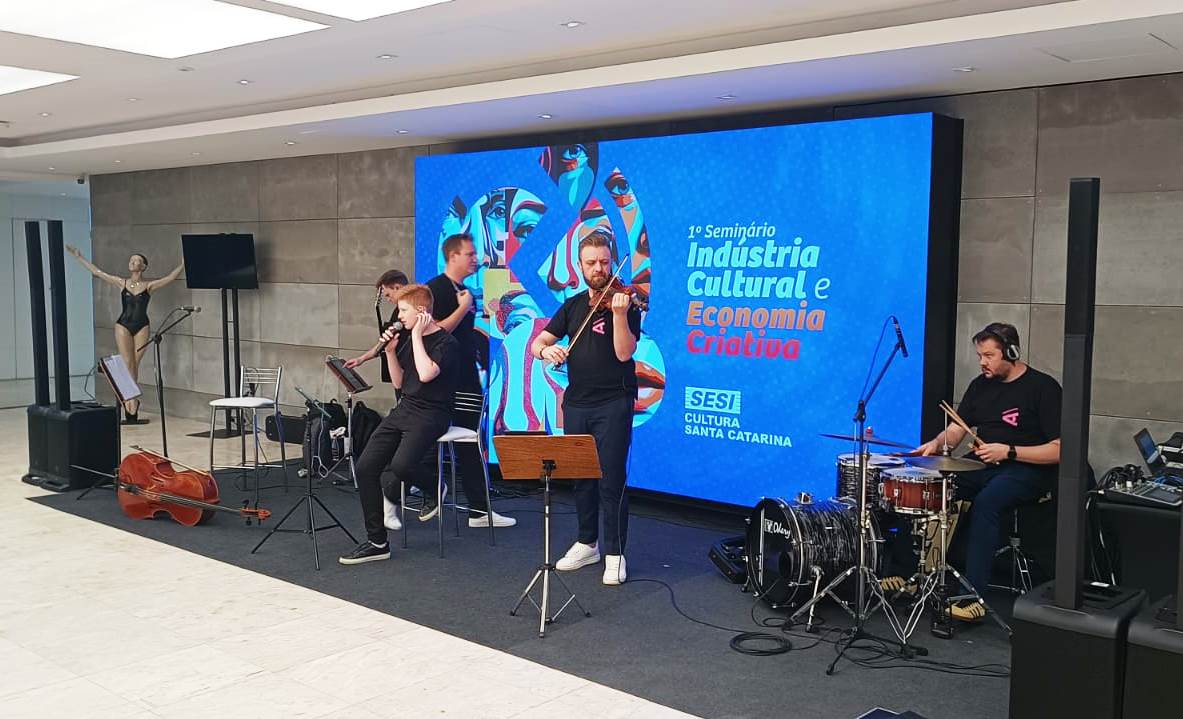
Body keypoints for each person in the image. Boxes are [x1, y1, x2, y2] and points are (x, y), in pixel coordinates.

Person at [912, 322, 1061, 621]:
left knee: (987, 502)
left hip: (1028, 468)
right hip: (985, 464)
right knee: (931, 488)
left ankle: (972, 596)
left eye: (989, 355)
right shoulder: (980, 385)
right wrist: (937, 444)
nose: (982, 362)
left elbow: (1061, 449)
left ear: (1012, 352)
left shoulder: (1043, 388)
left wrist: (1009, 451)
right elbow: (957, 430)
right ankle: (910, 574)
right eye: (980, 355)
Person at [529, 230, 642, 585]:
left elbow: (624, 353)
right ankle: (587, 542)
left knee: (611, 479)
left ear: (612, 262)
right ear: (579, 266)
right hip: (577, 403)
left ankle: (615, 553)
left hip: (613, 402)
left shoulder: (625, 303)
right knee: (581, 477)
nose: (599, 269)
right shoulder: (574, 305)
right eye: (591, 263)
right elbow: (538, 342)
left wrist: (620, 315)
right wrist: (546, 350)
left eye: (604, 262)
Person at [339, 284, 458, 565]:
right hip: (405, 408)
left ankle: (435, 486)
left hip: (432, 413)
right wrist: (391, 352)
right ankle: (377, 542)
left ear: (422, 311)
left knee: (402, 466)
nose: (399, 316)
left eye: (403, 310)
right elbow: (400, 382)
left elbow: (427, 374)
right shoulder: (405, 338)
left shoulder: (446, 343)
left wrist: (416, 335)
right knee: (366, 467)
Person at [424, 233, 516, 528]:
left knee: (471, 442)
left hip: (466, 377)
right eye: (469, 254)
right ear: (453, 257)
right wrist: (462, 309)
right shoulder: (436, 289)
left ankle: (479, 510)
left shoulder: (463, 290)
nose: (475, 259)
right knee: (433, 440)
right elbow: (433, 332)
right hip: (447, 382)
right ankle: (410, 491)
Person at [65, 246, 183, 424]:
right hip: (123, 325)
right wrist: (79, 256)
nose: (133, 262)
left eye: (137, 260)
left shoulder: (149, 286)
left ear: (144, 266)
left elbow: (170, 278)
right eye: (131, 260)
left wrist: (183, 264)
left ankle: (130, 402)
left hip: (142, 325)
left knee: (135, 363)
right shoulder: (122, 283)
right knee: (128, 363)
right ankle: (131, 402)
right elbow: (98, 272)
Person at [343, 269, 408, 378]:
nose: (388, 299)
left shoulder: (412, 310)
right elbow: (385, 342)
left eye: (388, 295)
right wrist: (361, 359)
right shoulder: (397, 312)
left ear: (397, 287)